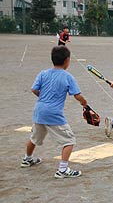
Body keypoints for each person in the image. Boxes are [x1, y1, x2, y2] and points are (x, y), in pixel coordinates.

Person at [21, 46, 88, 179]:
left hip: (39, 110)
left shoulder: (43, 73)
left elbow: (34, 90)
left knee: (34, 138)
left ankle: (27, 158)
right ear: (67, 60)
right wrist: (84, 103)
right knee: (69, 140)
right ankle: (62, 169)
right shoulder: (68, 76)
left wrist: (44, 98)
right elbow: (77, 95)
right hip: (54, 113)